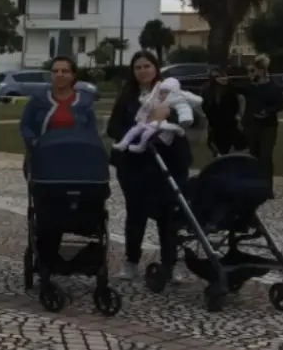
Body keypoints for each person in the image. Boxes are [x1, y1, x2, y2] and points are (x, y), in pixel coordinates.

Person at [106, 51, 193, 282]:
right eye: (138, 67)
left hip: (169, 162)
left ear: (156, 68)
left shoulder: (170, 92)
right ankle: (131, 261)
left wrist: (166, 122)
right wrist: (137, 134)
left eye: (147, 66)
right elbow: (113, 127)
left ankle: (170, 263)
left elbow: (189, 118)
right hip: (135, 163)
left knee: (169, 215)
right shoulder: (127, 97)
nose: (143, 71)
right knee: (136, 213)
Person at [18, 56, 100, 263]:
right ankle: (47, 254)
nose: (60, 75)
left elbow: (91, 130)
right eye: (55, 71)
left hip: (77, 165)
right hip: (45, 163)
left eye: (65, 71)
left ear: (73, 75)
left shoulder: (84, 101)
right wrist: (33, 142)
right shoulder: (39, 100)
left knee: (78, 205)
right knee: (47, 209)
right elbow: (25, 125)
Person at [112, 77, 199, 153]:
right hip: (148, 124)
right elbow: (146, 103)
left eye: (147, 66)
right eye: (161, 92)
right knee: (134, 130)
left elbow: (184, 109)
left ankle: (141, 146)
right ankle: (124, 143)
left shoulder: (176, 102)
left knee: (146, 134)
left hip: (161, 129)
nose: (162, 95)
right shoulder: (153, 98)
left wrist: (184, 119)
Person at [242, 55, 283, 179]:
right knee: (253, 155)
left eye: (253, 70)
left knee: (265, 156)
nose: (251, 73)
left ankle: (267, 186)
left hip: (268, 126)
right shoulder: (249, 86)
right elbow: (235, 88)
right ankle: (255, 183)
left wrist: (268, 111)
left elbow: (281, 104)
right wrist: (248, 80)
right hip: (251, 125)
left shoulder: (272, 86)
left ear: (261, 71)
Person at [201, 68, 243, 157]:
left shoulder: (230, 89)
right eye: (221, 77)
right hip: (215, 124)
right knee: (216, 145)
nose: (225, 78)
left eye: (225, 76)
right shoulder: (208, 90)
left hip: (228, 124)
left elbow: (236, 105)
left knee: (227, 147)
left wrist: (236, 117)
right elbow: (205, 106)